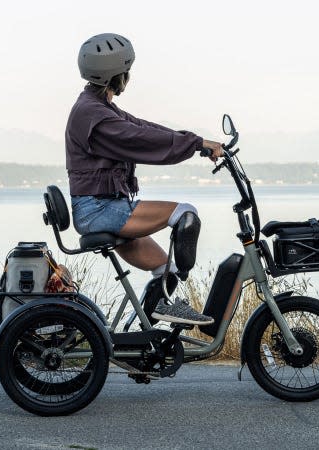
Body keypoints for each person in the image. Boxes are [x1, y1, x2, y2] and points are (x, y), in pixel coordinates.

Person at [65, 33, 224, 326]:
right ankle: (166, 304)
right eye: (127, 71)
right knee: (185, 214)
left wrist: (196, 141)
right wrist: (194, 144)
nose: (129, 76)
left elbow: (143, 127)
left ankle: (148, 332)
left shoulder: (98, 108)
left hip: (103, 208)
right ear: (117, 75)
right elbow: (141, 139)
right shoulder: (95, 115)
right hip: (100, 211)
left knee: (167, 268)